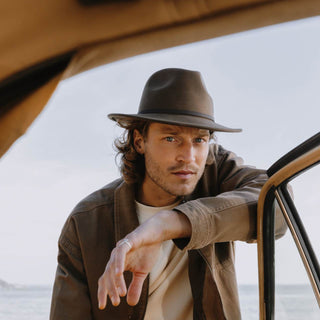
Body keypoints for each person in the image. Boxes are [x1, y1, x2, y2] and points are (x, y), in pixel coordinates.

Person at [50, 68, 285, 320]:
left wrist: (169, 224)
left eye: (199, 140)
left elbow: (278, 210)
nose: (189, 156)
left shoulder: (216, 175)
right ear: (140, 141)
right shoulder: (87, 222)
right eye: (171, 138)